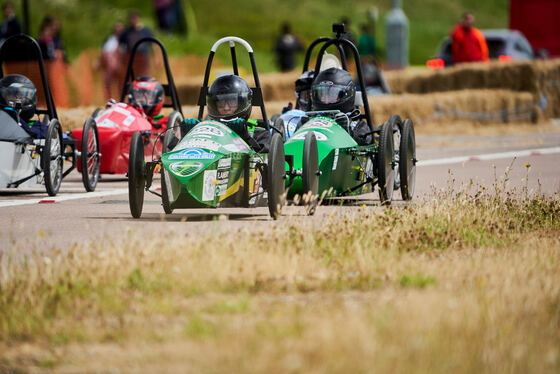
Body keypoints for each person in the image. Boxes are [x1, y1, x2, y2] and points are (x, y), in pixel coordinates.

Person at [184, 75, 270, 152]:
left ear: (241, 102)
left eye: (231, 102)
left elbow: (263, 159)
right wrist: (188, 135)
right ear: (214, 104)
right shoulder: (206, 130)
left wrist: (245, 137)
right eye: (221, 103)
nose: (226, 108)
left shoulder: (258, 133)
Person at [308, 67, 372, 145]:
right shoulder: (311, 118)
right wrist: (301, 128)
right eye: (323, 95)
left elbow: (366, 141)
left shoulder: (356, 124)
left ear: (347, 94)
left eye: (332, 95)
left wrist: (348, 132)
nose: (327, 101)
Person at [0, 74, 47, 139]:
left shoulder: (38, 126)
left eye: (22, 95)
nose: (18, 97)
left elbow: (37, 134)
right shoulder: (3, 116)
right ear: (4, 95)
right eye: (12, 93)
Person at [119, 10, 154, 77]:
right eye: (131, 18)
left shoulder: (146, 31)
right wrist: (120, 59)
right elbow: (120, 46)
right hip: (131, 58)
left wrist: (157, 58)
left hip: (143, 58)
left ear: (138, 18)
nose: (132, 20)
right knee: (131, 77)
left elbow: (153, 45)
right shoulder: (126, 32)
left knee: (144, 77)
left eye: (134, 18)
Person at [97, 22, 124, 99]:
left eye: (120, 27)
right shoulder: (110, 39)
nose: (118, 29)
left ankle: (122, 99)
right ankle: (109, 99)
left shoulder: (126, 39)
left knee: (122, 83)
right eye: (117, 27)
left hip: (122, 65)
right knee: (107, 81)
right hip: (110, 66)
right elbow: (103, 51)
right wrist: (99, 61)